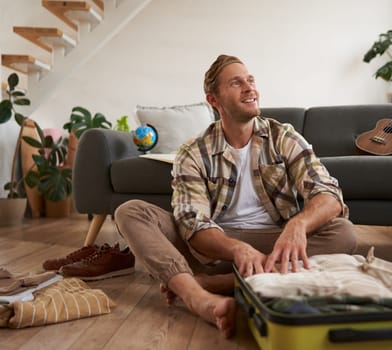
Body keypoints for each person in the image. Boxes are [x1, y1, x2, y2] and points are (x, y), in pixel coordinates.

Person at [114, 54, 357, 338]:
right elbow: (192, 224)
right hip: (213, 246)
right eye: (236, 83)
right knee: (130, 211)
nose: (249, 88)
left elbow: (328, 193)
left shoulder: (283, 137)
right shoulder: (193, 151)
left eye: (251, 80)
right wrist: (236, 249)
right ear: (214, 101)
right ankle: (198, 298)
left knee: (344, 233)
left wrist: (298, 225)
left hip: (273, 242)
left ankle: (216, 283)